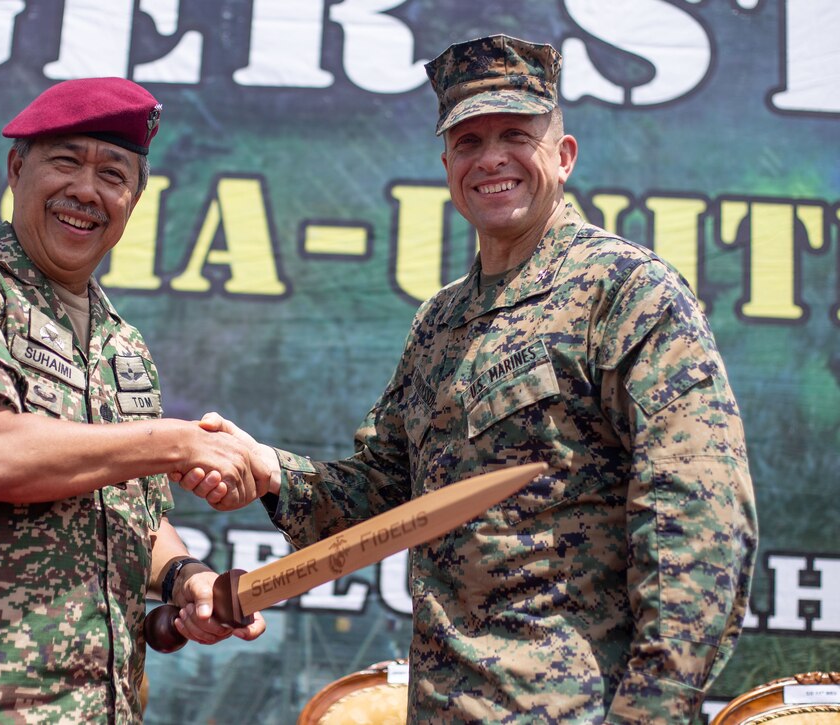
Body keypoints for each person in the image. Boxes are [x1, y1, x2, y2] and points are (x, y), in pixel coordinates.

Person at [185, 35, 758, 723]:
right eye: (468, 141)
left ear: (564, 156)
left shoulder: (627, 293)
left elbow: (698, 519)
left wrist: (652, 711)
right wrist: (270, 469)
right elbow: (383, 497)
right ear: (447, 165)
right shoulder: (440, 323)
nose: (491, 158)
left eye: (516, 134)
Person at [0, 77, 268, 722]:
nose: (86, 190)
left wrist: (185, 579)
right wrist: (177, 441)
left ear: (133, 199)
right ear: (16, 168)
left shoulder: (123, 345)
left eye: (113, 172)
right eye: (65, 161)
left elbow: (130, 513)